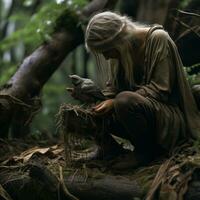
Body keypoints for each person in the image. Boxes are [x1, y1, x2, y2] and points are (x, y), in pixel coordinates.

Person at [83, 11, 200, 168]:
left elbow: (161, 89)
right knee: (79, 115)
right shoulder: (119, 52)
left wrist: (114, 101)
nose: (106, 57)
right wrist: (91, 94)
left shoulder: (158, 39)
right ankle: (109, 149)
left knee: (124, 100)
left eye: (106, 51)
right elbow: (112, 91)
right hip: (139, 113)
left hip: (168, 117)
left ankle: (145, 153)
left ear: (118, 40)